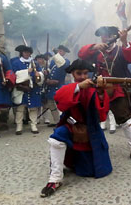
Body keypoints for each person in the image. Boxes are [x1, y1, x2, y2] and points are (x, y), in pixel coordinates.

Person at [40, 59, 112, 198]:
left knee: (88, 170)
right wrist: (79, 86)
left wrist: (102, 93)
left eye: (86, 73)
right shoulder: (71, 87)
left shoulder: (94, 89)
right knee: (56, 139)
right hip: (71, 126)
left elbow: (102, 116)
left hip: (91, 130)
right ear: (73, 73)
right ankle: (55, 179)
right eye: (79, 73)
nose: (83, 76)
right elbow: (59, 99)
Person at [78, 26, 131, 164]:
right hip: (100, 88)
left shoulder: (121, 49)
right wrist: (94, 46)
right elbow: (81, 54)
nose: (105, 38)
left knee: (126, 119)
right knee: (91, 117)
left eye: (108, 35)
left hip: (118, 89)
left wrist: (125, 41)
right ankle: (90, 148)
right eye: (103, 36)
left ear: (114, 36)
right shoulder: (97, 52)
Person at [11, 45, 44, 135]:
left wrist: (39, 75)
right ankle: (19, 126)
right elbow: (15, 75)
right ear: (22, 53)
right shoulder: (16, 63)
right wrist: (27, 72)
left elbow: (40, 75)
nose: (27, 54)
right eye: (25, 52)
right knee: (20, 108)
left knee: (33, 108)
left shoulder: (35, 63)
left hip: (33, 88)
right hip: (21, 88)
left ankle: (33, 125)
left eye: (28, 52)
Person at [45, 45, 70, 127]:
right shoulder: (52, 61)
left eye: (62, 51)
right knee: (51, 104)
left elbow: (64, 67)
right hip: (50, 85)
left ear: (64, 53)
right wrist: (47, 74)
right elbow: (50, 71)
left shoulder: (66, 61)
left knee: (60, 105)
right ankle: (57, 121)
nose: (60, 52)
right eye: (59, 50)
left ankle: (64, 120)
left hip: (59, 85)